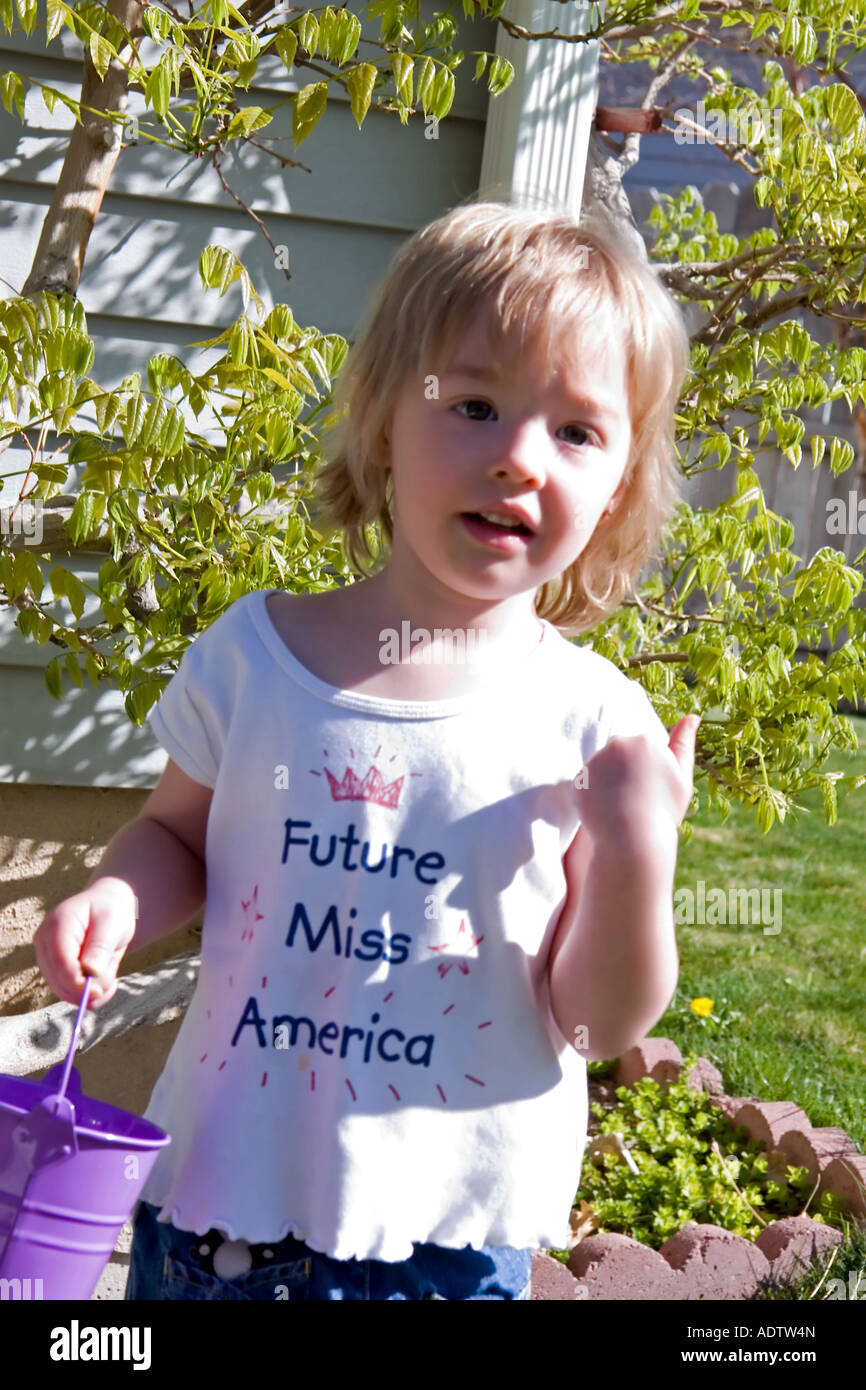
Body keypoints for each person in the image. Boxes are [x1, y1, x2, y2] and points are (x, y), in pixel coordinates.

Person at [33, 196, 700, 1300]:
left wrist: (636, 853)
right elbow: (174, 835)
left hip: (439, 1246)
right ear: (384, 418)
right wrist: (118, 896)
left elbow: (589, 1019)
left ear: (618, 482)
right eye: (475, 405)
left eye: (576, 430)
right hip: (214, 1213)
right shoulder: (255, 656)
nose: (518, 461)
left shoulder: (594, 726)